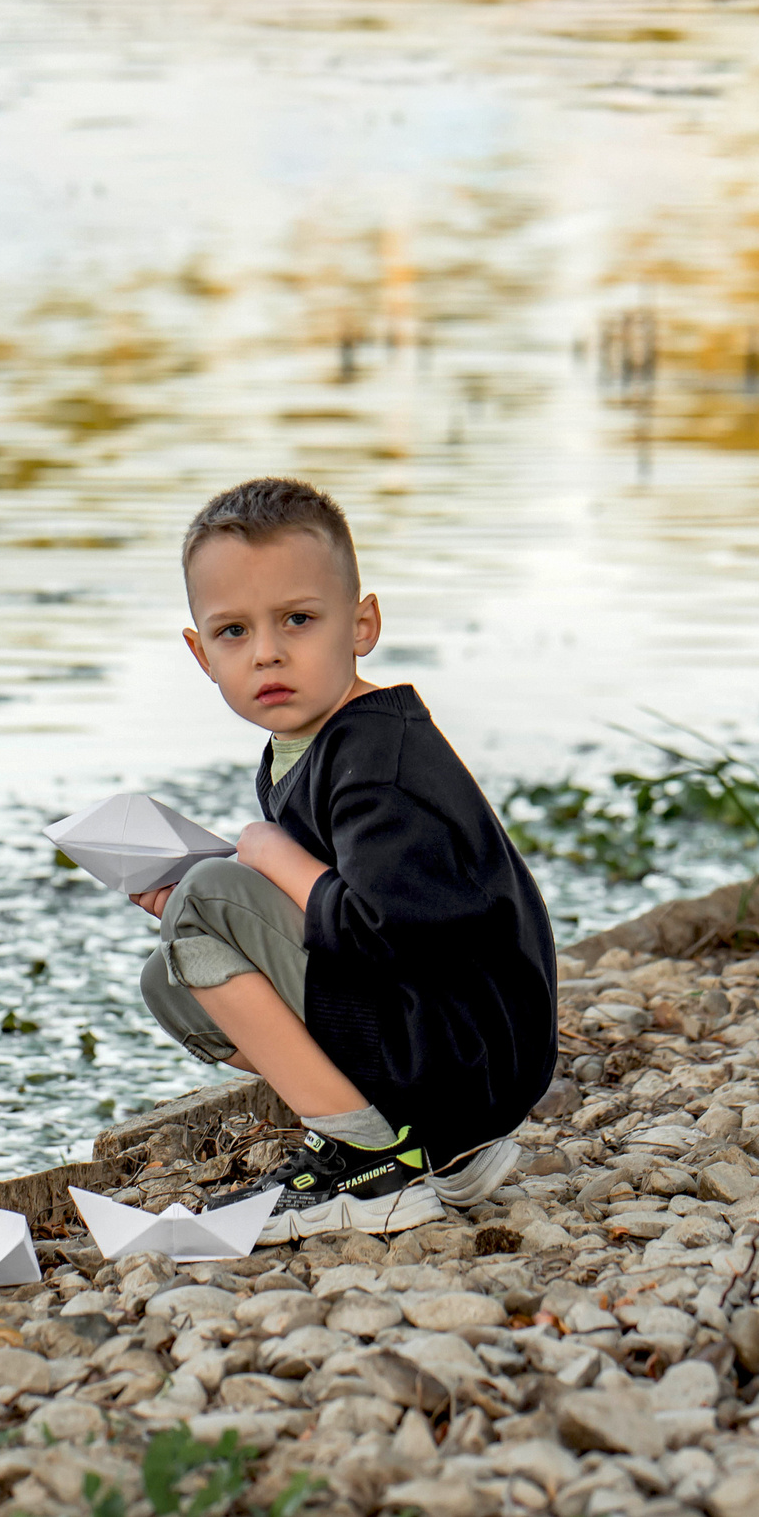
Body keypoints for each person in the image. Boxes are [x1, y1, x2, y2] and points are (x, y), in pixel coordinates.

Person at [132, 476, 556, 1242]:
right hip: (433, 1035)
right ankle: (434, 1149)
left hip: (468, 1047)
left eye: (298, 618)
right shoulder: (306, 749)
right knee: (171, 973)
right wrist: (208, 904)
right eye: (233, 632)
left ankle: (370, 1163)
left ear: (361, 624)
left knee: (209, 900)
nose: (267, 652)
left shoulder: (380, 755)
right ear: (199, 653)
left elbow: (384, 931)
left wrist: (266, 856)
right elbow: (335, 917)